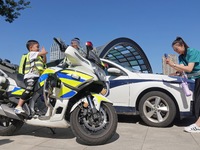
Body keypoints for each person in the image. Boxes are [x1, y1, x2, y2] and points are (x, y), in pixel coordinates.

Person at [165, 36, 200, 133]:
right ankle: (197, 124)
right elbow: (181, 69)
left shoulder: (192, 52)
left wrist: (174, 65)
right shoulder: (181, 57)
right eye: (174, 50)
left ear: (182, 45)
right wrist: (171, 65)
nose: (176, 51)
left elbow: (189, 69)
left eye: (177, 49)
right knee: (197, 101)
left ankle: (198, 125)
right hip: (198, 79)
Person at [14, 40, 48, 114]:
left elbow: (44, 62)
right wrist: (43, 52)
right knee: (29, 88)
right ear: (31, 48)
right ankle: (18, 106)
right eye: (37, 47)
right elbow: (41, 53)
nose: (38, 48)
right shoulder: (31, 54)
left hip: (37, 77)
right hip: (30, 76)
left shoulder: (39, 56)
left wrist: (44, 55)